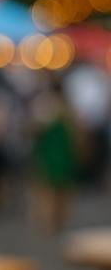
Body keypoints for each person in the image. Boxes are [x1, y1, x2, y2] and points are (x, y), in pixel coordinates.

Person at [31, 80, 78, 234]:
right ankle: (56, 221)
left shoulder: (46, 108)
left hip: (53, 154)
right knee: (59, 189)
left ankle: (49, 222)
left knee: (49, 189)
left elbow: (35, 130)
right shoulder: (69, 111)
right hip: (61, 154)